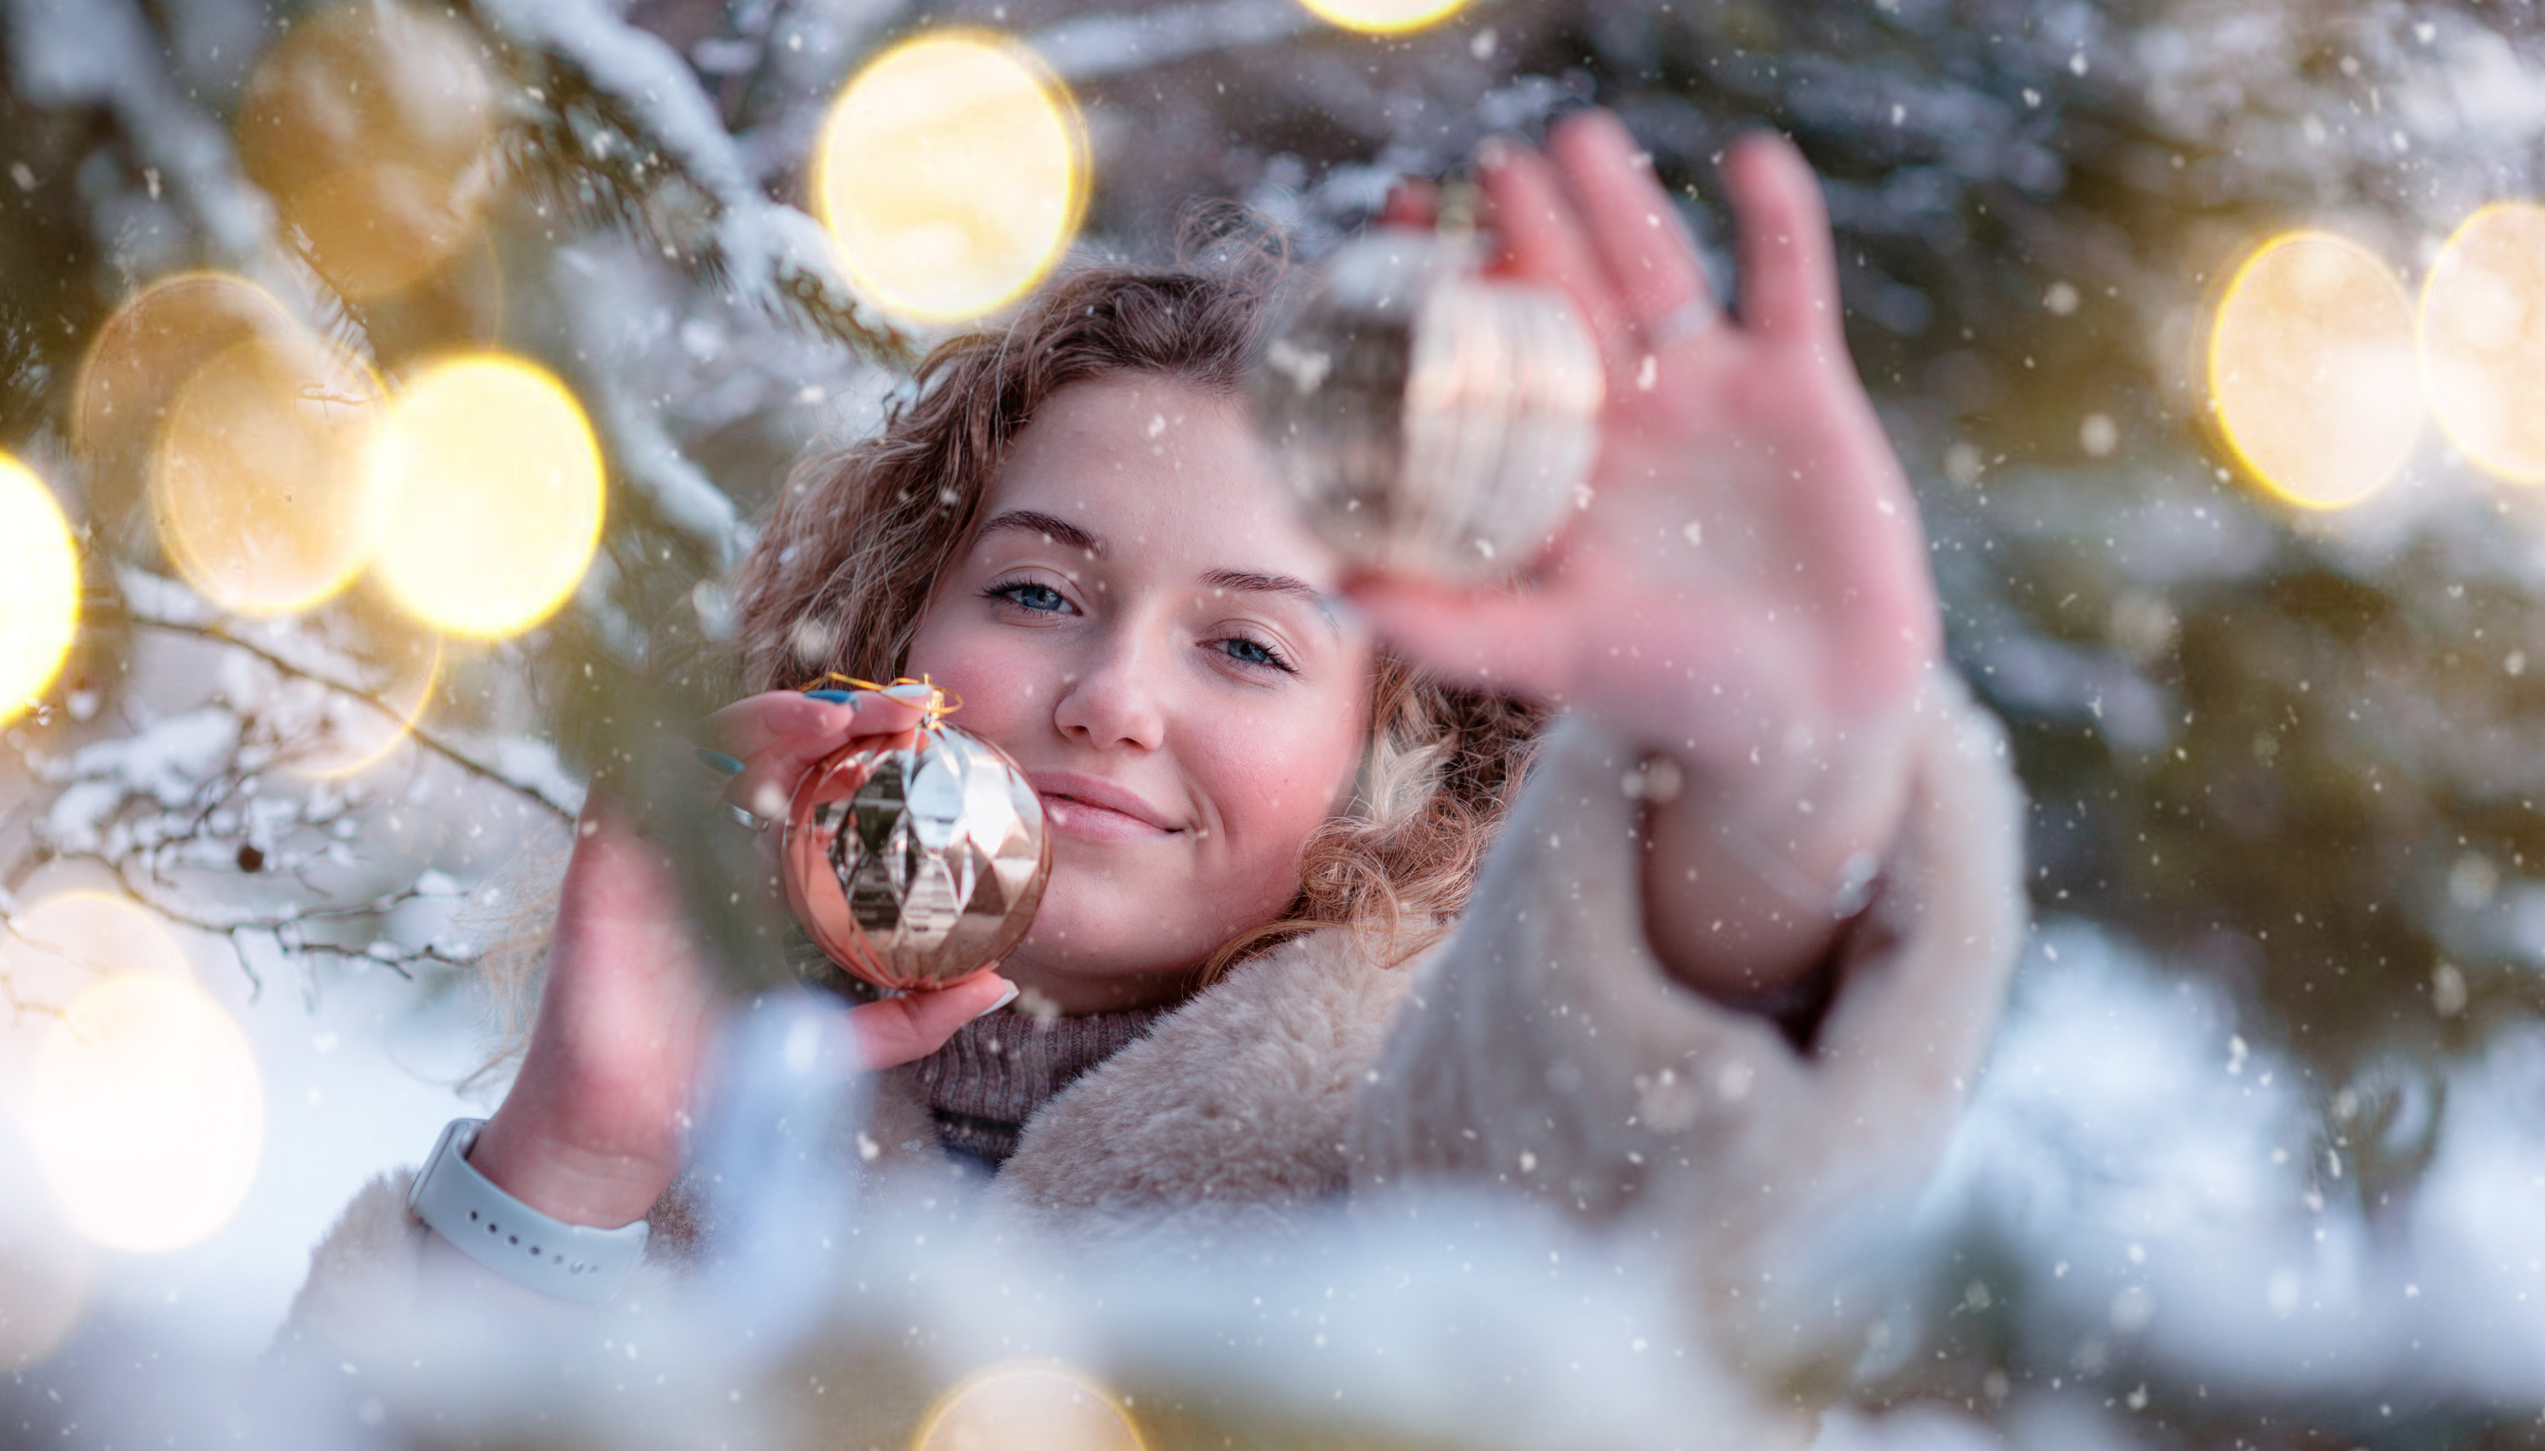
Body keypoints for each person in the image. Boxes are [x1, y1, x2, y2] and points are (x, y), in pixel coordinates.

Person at [290, 112, 2022, 1383]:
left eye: (1250, 644)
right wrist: (578, 1160)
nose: (1113, 693)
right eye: (1041, 591)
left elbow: (1647, 1176)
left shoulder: (1406, 1158)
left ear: (1388, 749)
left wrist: (1769, 781)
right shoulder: (723, 1125)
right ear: (902, 628)